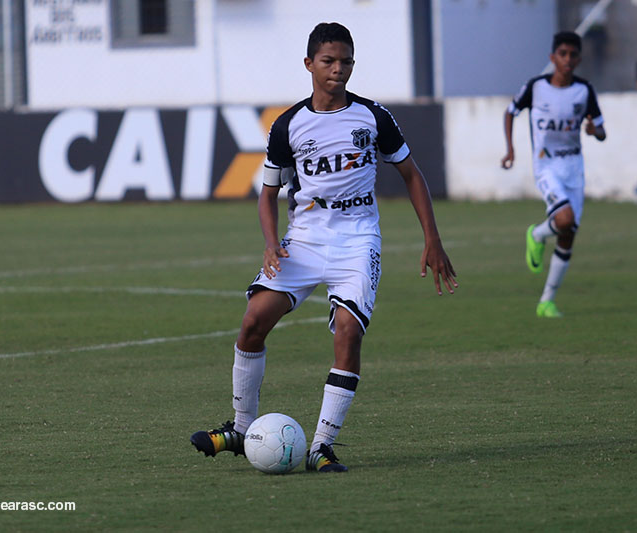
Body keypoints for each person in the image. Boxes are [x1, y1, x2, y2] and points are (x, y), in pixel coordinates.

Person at [190, 22, 457, 472]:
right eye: (329, 61)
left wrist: (433, 239)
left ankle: (321, 448)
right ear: (309, 64)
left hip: (357, 241)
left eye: (346, 61)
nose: (338, 70)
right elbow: (267, 193)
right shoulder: (288, 124)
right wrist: (272, 244)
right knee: (253, 322)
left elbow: (411, 174)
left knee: (348, 335)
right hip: (305, 241)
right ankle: (240, 428)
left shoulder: (373, 117)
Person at [501, 31, 606, 318]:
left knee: (568, 233)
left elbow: (601, 130)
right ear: (552, 58)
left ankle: (546, 301)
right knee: (565, 219)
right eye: (563, 54)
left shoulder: (584, 90)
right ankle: (536, 234)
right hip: (546, 166)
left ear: (579, 59)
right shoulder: (536, 87)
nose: (568, 59)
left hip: (574, 168)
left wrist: (593, 130)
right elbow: (510, 112)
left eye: (573, 55)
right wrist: (511, 150)